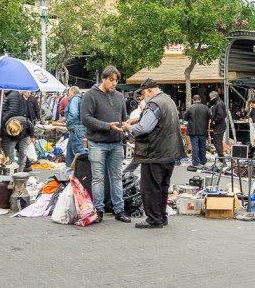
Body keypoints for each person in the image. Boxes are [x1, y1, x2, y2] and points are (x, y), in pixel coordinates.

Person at [121, 79, 186, 229]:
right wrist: (139, 118)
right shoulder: (168, 100)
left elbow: (144, 128)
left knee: (150, 188)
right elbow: (159, 120)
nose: (142, 97)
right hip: (170, 152)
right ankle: (161, 216)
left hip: (155, 152)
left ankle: (154, 219)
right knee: (162, 187)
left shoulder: (154, 104)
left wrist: (129, 128)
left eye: (143, 94)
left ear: (149, 90)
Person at [80, 66, 130, 223]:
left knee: (116, 177)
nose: (114, 83)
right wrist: (107, 126)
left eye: (116, 80)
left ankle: (119, 210)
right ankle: (98, 210)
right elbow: (85, 119)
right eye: (111, 80)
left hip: (116, 143)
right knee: (98, 178)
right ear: (103, 78)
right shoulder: (90, 95)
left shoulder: (119, 97)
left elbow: (123, 116)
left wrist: (128, 124)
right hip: (97, 143)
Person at [183, 95, 211, 167]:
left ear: (193, 100)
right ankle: (203, 161)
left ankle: (195, 162)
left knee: (195, 147)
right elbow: (210, 117)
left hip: (193, 131)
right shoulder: (205, 107)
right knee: (202, 146)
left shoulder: (190, 108)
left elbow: (185, 118)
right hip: (203, 130)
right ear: (200, 99)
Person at [64, 86, 87, 168]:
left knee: (78, 150)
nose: (68, 93)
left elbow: (73, 113)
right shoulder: (79, 99)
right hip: (77, 127)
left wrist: (67, 122)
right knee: (70, 150)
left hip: (75, 127)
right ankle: (68, 169)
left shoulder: (74, 99)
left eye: (69, 91)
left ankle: (87, 168)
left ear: (73, 91)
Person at [209, 91, 228, 159]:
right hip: (220, 125)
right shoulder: (219, 103)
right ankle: (221, 158)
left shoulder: (219, 104)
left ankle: (221, 159)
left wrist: (214, 121)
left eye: (211, 97)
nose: (210, 99)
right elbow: (224, 114)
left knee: (217, 142)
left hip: (219, 125)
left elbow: (220, 115)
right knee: (218, 142)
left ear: (214, 96)